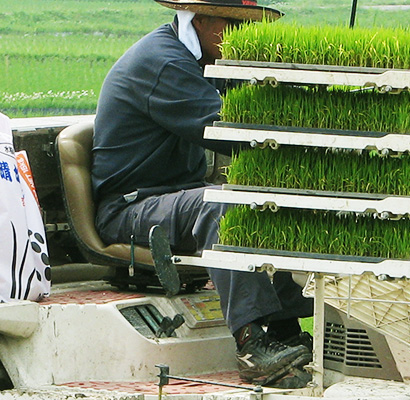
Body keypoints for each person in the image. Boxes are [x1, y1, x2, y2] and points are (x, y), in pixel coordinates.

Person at [90, 0, 315, 389]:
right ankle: (251, 344)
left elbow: (254, 106)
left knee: (264, 205)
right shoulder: (164, 63)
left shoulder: (207, 61)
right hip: (131, 207)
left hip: (175, 198)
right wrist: (315, 149)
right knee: (224, 203)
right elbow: (230, 129)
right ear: (202, 19)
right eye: (234, 24)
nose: (242, 36)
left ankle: (285, 327)